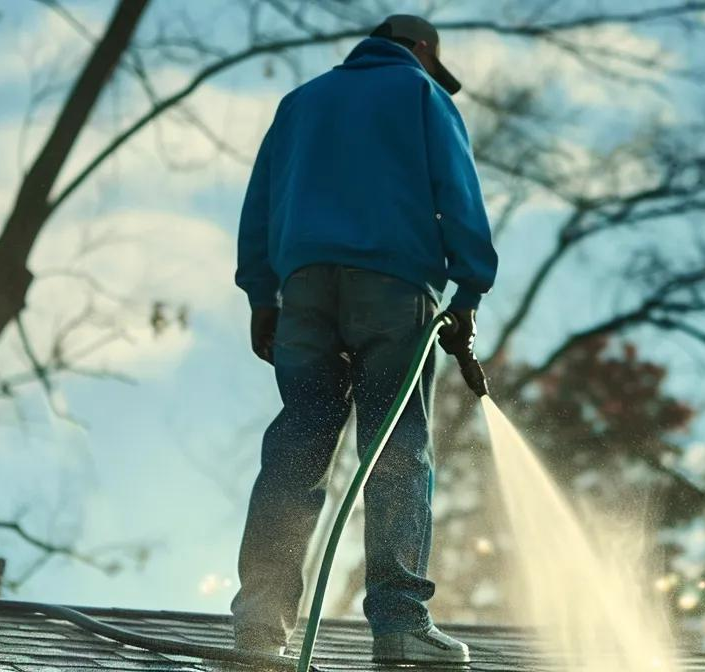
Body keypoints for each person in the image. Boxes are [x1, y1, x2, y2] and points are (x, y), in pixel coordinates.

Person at [229, 13, 498, 665]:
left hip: (305, 289)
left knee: (299, 443)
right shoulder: (420, 94)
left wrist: (262, 294)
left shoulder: (301, 102)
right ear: (424, 51)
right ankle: (401, 624)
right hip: (391, 283)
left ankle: (260, 629)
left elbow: (261, 202)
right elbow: (456, 195)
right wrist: (468, 291)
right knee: (396, 445)